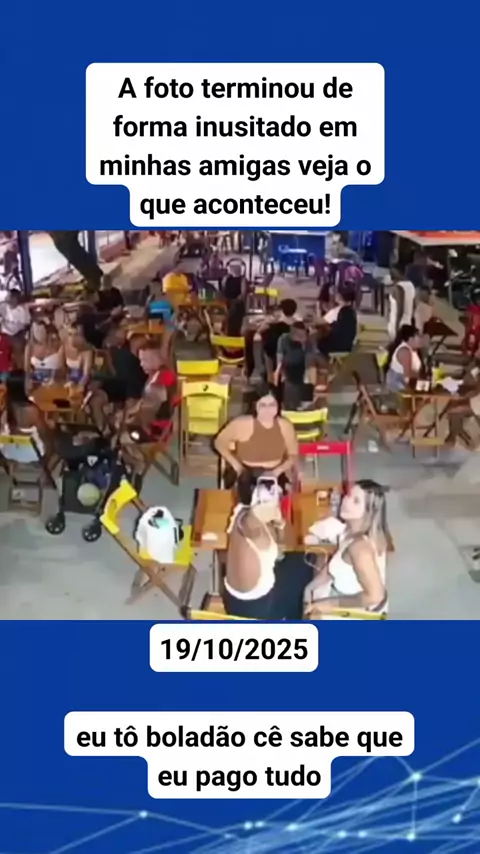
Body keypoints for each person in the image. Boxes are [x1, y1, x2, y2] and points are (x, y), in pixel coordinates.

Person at [223, 471, 313, 619]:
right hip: (260, 612)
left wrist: (279, 521)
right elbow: (252, 528)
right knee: (307, 561)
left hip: (233, 603)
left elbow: (283, 541)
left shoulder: (240, 511)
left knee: (295, 560)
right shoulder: (253, 527)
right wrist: (272, 517)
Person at [304, 480, 388, 618]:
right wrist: (310, 588)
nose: (346, 501)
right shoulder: (349, 531)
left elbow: (375, 596)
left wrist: (329, 604)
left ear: (368, 512)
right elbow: (333, 567)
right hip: (339, 594)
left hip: (351, 611)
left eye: (356, 501)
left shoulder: (360, 548)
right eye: (349, 496)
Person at [214, 384, 298, 488]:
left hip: (275, 472)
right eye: (263, 405)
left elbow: (293, 454)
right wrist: (237, 465)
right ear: (255, 405)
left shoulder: (285, 425)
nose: (268, 409)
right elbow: (219, 442)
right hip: (244, 472)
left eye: (272, 404)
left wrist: (277, 472)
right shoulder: (242, 423)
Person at [90, 326, 147, 429]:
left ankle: (124, 432)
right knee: (95, 401)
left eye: (118, 333)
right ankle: (102, 431)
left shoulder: (133, 344)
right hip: (117, 383)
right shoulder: (109, 350)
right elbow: (110, 372)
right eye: (112, 335)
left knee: (128, 412)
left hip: (134, 384)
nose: (114, 337)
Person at [245, 298, 300, 380]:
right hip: (291, 352)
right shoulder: (297, 325)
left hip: (273, 352)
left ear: (282, 310)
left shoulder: (274, 324)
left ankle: (263, 375)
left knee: (261, 347)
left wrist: (264, 324)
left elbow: (259, 331)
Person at [274, 321, 317, 410]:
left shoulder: (308, 342)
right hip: (289, 370)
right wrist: (280, 373)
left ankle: (305, 403)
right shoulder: (283, 339)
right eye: (299, 335)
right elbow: (279, 359)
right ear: (292, 334)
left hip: (303, 369)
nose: (302, 338)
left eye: (303, 335)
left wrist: (303, 344)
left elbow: (310, 361)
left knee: (308, 376)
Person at [316, 289, 357, 358]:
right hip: (348, 345)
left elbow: (324, 322)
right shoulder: (352, 311)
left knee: (319, 342)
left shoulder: (339, 311)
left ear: (340, 297)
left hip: (337, 345)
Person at [24, 319, 63, 390]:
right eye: (36, 331)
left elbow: (62, 367)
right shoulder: (29, 347)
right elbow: (26, 368)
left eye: (41, 330)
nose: (39, 333)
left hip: (55, 382)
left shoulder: (56, 343)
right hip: (36, 384)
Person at [384, 324, 423, 392]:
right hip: (398, 384)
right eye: (418, 336)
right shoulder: (405, 351)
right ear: (411, 339)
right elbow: (407, 375)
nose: (420, 339)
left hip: (408, 382)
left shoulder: (413, 350)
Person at [387, 267, 416, 341]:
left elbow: (400, 309)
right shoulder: (411, 285)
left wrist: (396, 326)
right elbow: (414, 306)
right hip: (407, 322)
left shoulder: (398, 288)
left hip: (398, 322)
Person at [63, 323, 93, 389]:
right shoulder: (64, 347)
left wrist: (78, 386)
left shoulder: (87, 351)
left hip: (83, 384)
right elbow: (62, 370)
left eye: (76, 335)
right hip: (68, 383)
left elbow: (86, 375)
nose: (72, 338)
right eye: (70, 334)